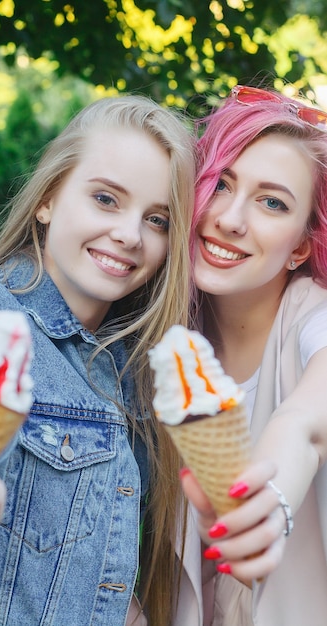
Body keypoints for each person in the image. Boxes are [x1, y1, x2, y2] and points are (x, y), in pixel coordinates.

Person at [0, 95, 196, 626]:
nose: (130, 235)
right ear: (47, 198)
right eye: (106, 199)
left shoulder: (135, 370)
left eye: (157, 219)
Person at [178, 84, 327, 626]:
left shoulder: (312, 318)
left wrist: (267, 497)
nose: (230, 218)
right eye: (220, 183)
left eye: (272, 202)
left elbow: (311, 419)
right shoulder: (158, 330)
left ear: (300, 246)